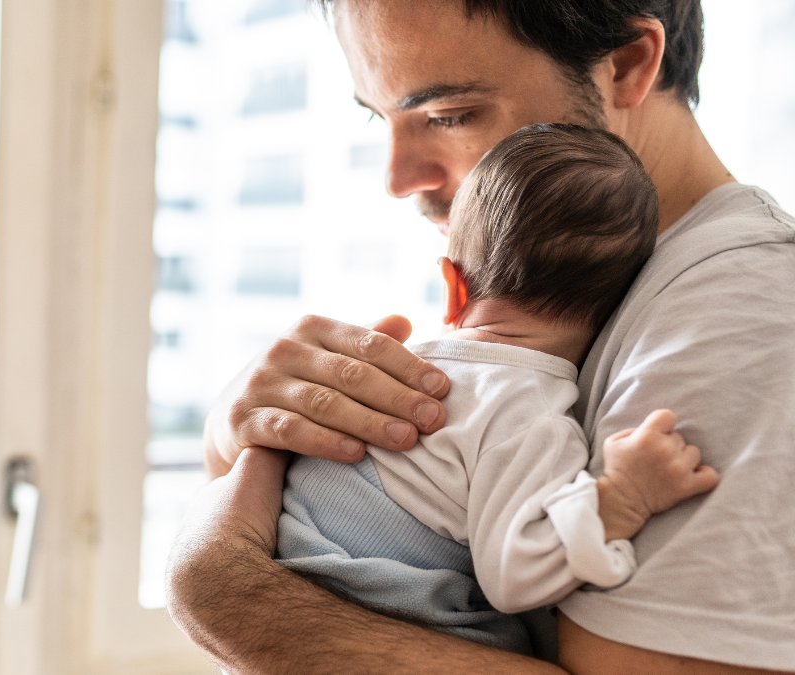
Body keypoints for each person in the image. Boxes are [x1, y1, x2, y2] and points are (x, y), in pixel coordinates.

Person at [166, 1, 795, 673]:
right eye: (376, 118)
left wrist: (221, 590)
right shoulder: (555, 301)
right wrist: (240, 446)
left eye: (449, 115)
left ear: (628, 63)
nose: (397, 179)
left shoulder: (742, 317)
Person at [275, 123, 718, 658]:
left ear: (452, 285)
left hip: (289, 572)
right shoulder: (529, 417)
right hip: (370, 596)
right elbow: (516, 576)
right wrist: (622, 498)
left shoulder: (392, 368)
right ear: (613, 315)